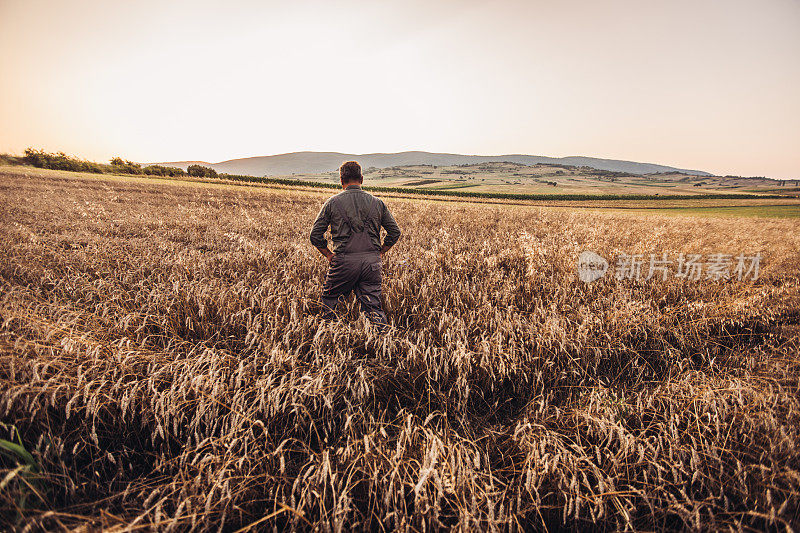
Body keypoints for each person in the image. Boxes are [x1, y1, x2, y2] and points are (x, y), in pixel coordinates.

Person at [310, 161, 401, 328]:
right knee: (373, 307)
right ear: (362, 179)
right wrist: (380, 252)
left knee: (329, 301)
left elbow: (315, 235)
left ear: (341, 180)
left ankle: (329, 338)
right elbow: (395, 232)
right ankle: (383, 344)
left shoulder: (332, 203)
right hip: (372, 263)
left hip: (344, 262)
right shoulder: (377, 203)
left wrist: (329, 255)